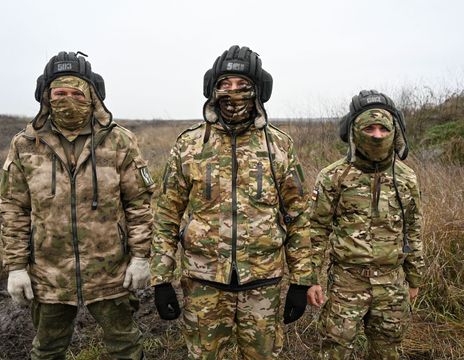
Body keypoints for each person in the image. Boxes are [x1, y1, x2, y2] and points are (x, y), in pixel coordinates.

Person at [150, 45, 314, 359]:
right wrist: (161, 279)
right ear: (212, 89)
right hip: (203, 284)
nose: (232, 93)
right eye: (224, 85)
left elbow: (297, 215)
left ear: (258, 90)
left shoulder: (279, 145)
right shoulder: (189, 144)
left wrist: (301, 281)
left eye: (242, 86)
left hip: (262, 284)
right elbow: (167, 214)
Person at [0, 51, 154, 360]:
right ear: (46, 95)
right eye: (59, 93)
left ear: (92, 95)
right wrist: (16, 266)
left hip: (111, 271)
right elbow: (14, 209)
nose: (67, 100)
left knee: (125, 346)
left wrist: (141, 257)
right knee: (46, 350)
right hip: (49, 274)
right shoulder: (25, 145)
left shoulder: (118, 141)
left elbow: (138, 202)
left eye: (76, 92)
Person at [307, 90, 424, 359]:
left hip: (392, 285)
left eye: (383, 128)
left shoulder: (406, 178)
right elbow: (315, 230)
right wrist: (310, 280)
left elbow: (414, 229)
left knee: (388, 351)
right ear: (353, 130)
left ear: (394, 131)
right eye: (369, 128)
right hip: (347, 284)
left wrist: (415, 278)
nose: (376, 135)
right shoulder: (334, 176)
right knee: (335, 350)